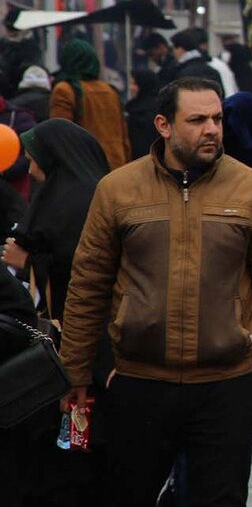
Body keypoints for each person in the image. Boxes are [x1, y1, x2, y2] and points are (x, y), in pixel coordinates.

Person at [57, 77, 252, 506]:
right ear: (164, 125)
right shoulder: (118, 190)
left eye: (217, 119)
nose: (211, 129)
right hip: (140, 381)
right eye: (196, 120)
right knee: (127, 494)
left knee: (221, 498)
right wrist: (75, 373)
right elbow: (88, 285)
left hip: (226, 383)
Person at [1, 120, 110, 504]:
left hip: (88, 351)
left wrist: (28, 261)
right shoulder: (72, 198)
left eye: (34, 160)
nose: (29, 169)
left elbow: (80, 272)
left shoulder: (79, 206)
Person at [50, 38, 130, 170]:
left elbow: (59, 136)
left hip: (84, 168)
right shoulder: (110, 91)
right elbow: (124, 138)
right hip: (116, 167)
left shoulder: (64, 90)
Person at [125, 68, 161, 160]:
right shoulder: (134, 106)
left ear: (144, 85)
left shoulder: (151, 110)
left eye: (135, 84)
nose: (131, 88)